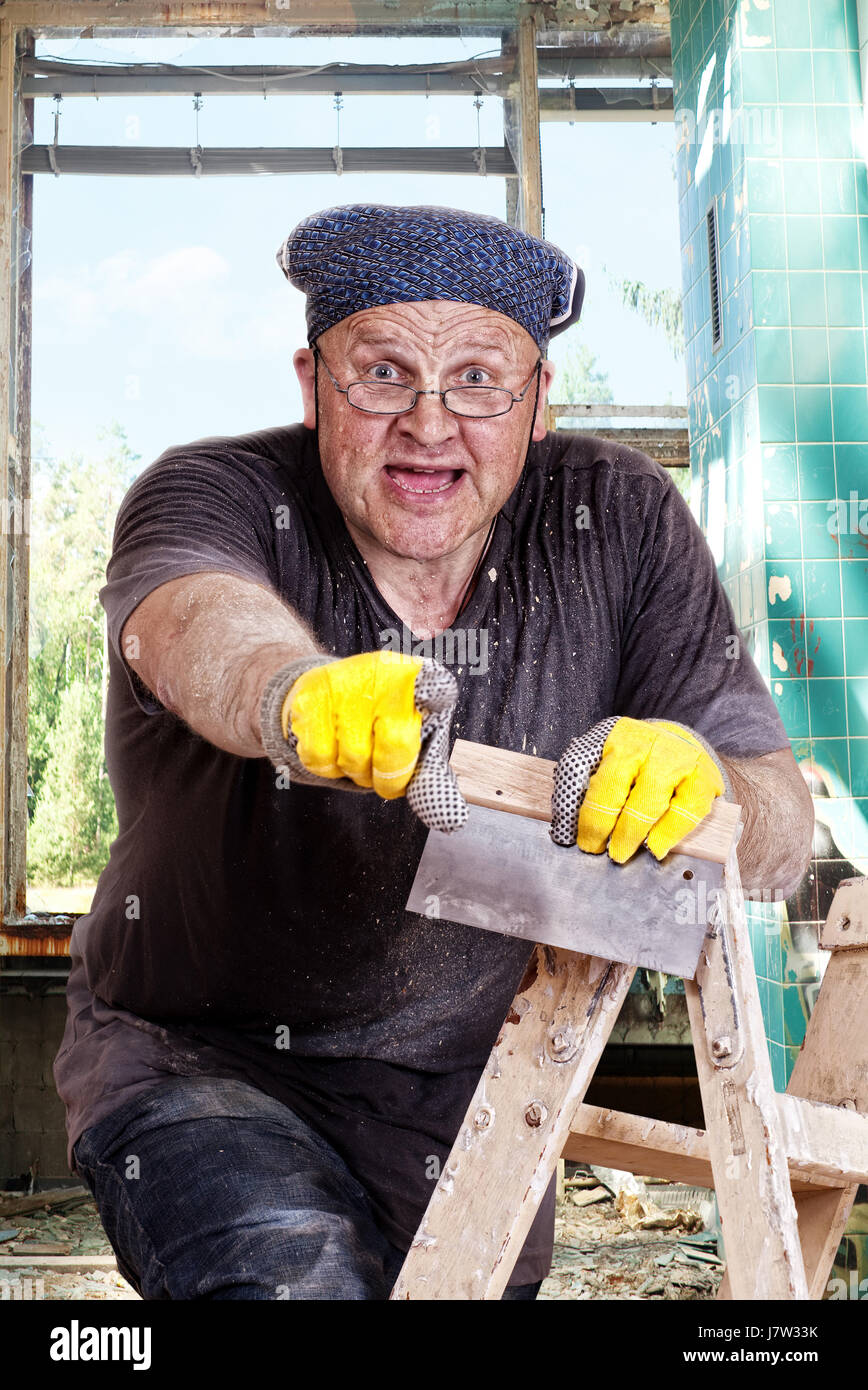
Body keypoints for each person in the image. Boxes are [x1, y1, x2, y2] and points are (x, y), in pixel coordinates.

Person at [55, 203, 814, 1301]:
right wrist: (291, 692)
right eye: (381, 374)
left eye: (477, 378)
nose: (428, 421)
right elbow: (192, 623)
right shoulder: (215, 489)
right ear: (313, 384)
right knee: (292, 1283)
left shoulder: (623, 518)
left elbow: (781, 827)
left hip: (477, 1087)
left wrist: (709, 793)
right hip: (199, 1058)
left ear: (540, 400)